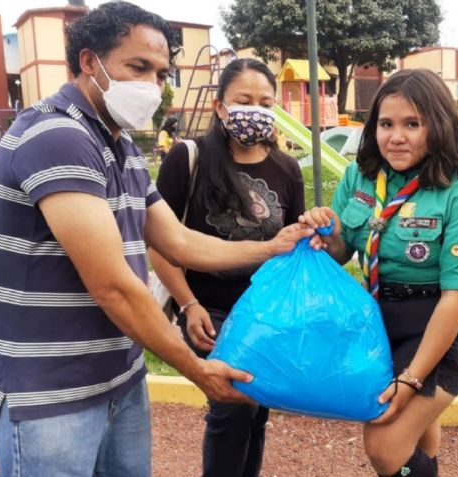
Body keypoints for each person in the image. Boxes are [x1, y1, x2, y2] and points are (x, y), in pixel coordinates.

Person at [0, 3, 312, 476]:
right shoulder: (58, 135)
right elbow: (114, 285)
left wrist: (273, 246)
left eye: (162, 73)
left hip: (117, 377)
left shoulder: (120, 146)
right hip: (45, 392)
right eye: (138, 67)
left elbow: (181, 242)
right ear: (90, 62)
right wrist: (197, 368)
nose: (152, 86)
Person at [301, 68, 458, 477]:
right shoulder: (361, 176)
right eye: (386, 124)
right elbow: (341, 252)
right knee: (416, 432)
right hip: (382, 315)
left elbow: (457, 299)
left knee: (385, 442)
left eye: (412, 124)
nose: (396, 137)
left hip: (445, 323)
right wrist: (328, 231)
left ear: (438, 125)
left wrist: (411, 379)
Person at [150, 58, 305, 477]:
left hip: (266, 312)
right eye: (243, 100)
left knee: (256, 412)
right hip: (209, 310)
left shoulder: (287, 169)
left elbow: (293, 246)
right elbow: (161, 244)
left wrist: (317, 231)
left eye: (265, 102)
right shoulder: (188, 158)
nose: (255, 110)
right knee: (233, 406)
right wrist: (188, 305)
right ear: (220, 106)